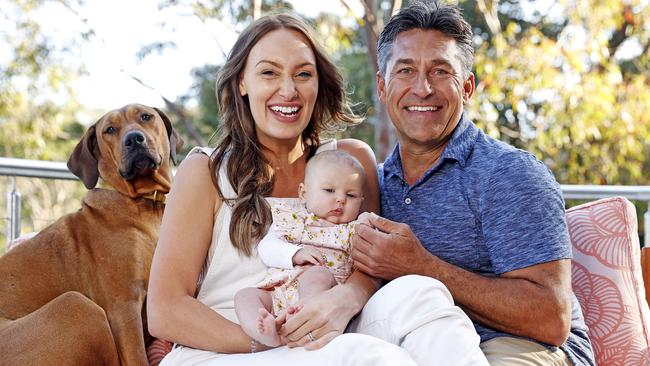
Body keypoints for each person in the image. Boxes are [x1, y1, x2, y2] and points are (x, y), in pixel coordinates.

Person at [147, 11, 487, 366]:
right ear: (242, 82)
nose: (288, 90)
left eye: (303, 74)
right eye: (269, 72)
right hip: (225, 348)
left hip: (332, 329)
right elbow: (165, 310)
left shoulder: (350, 161)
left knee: (420, 294)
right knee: (363, 355)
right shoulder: (206, 170)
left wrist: (346, 298)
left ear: (318, 84)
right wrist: (266, 342)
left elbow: (368, 265)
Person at [351, 2, 596, 366]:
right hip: (412, 345)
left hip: (519, 348)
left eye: (440, 71)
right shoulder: (372, 185)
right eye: (406, 71)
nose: (423, 88)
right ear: (383, 87)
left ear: (467, 87)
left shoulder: (509, 174)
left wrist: (423, 266)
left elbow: (552, 318)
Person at [234, 150, 368, 348]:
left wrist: (369, 223)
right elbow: (266, 247)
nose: (340, 199)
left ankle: (305, 313)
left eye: (351, 195)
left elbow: (370, 262)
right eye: (329, 190)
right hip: (279, 292)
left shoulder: (353, 230)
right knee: (244, 296)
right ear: (303, 194)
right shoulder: (293, 219)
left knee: (318, 273)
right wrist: (294, 253)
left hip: (323, 297)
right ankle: (264, 331)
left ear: (361, 202)